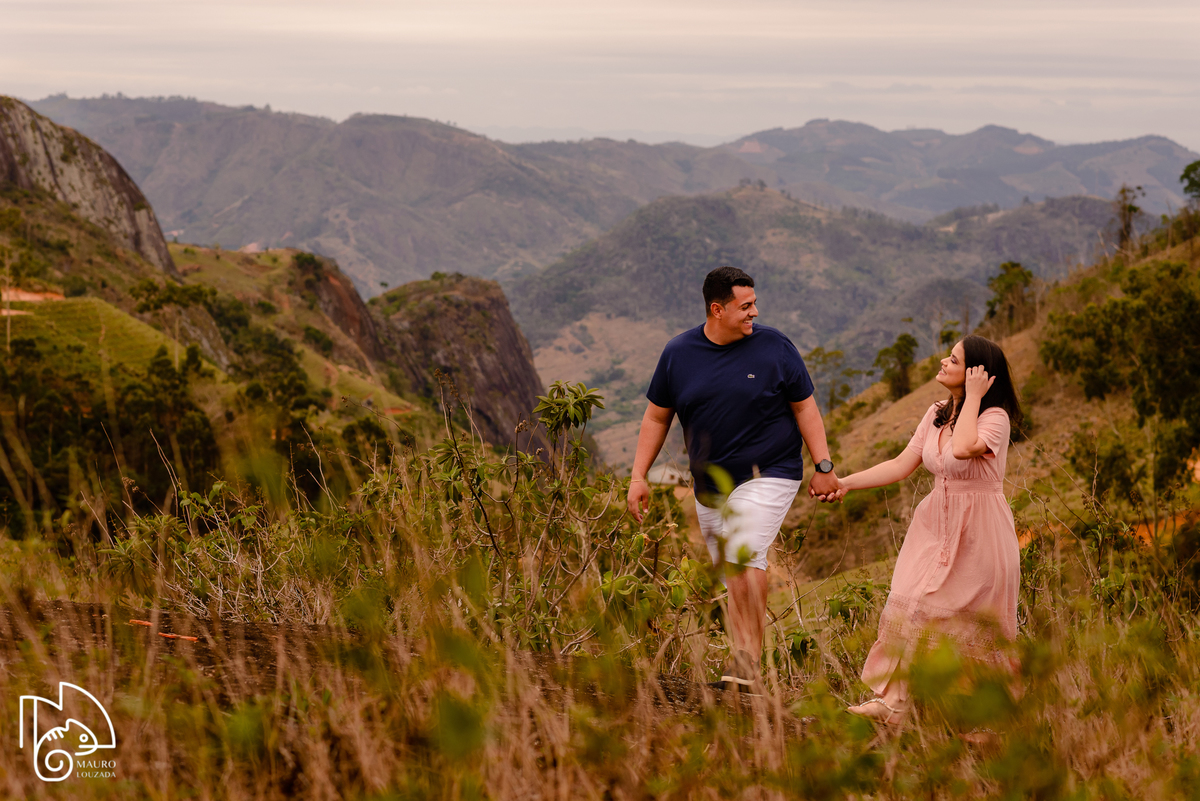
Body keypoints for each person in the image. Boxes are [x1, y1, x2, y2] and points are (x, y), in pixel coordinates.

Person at [627, 265, 840, 689]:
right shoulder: (678, 353)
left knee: (742, 552)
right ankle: (741, 668)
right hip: (710, 488)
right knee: (732, 569)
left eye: (755, 304)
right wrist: (638, 476)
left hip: (771, 472)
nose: (754, 313)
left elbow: (805, 407)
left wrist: (823, 467)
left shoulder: (775, 347)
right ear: (716, 309)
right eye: (745, 306)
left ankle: (747, 664)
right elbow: (656, 416)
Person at [825, 334, 1022, 724]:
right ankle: (893, 703)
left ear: (975, 374)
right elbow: (901, 464)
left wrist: (974, 397)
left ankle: (980, 718)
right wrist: (845, 482)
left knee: (966, 624)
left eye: (954, 359)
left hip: (979, 535)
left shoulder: (993, 418)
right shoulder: (936, 413)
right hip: (934, 528)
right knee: (909, 604)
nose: (943, 362)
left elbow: (964, 448)